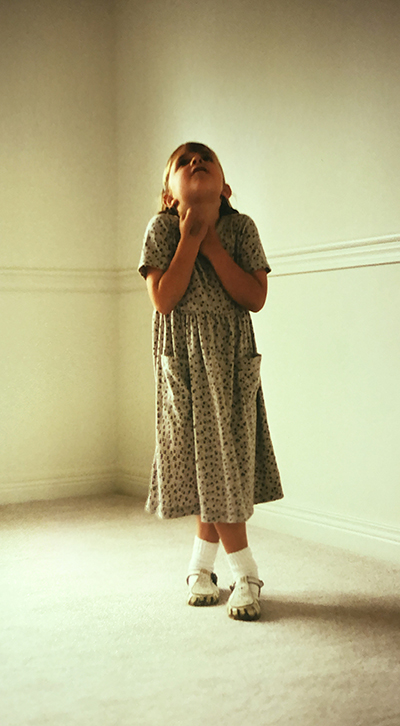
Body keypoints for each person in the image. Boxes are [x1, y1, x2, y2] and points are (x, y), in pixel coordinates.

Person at [138, 142, 283, 621]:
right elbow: (164, 298)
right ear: (168, 193)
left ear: (225, 187)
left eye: (205, 160)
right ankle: (214, 568)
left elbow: (254, 296)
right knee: (203, 465)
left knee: (225, 462)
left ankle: (237, 571)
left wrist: (213, 245)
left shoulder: (241, 229)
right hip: (184, 361)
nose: (194, 163)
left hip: (229, 362)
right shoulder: (160, 229)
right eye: (183, 161)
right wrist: (188, 240)